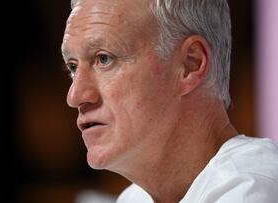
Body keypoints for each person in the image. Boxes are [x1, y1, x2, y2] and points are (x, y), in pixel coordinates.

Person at [61, 0, 278, 202]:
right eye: (72, 67)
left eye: (104, 59)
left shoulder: (251, 188)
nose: (75, 96)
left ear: (190, 64)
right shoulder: (135, 198)